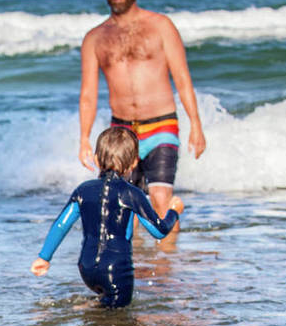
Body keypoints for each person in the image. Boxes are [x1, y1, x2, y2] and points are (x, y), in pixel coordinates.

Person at [78, 0, 205, 250]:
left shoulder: (160, 26)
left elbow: (183, 78)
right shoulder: (95, 38)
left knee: (160, 202)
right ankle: (132, 271)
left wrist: (196, 124)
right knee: (124, 212)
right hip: (121, 132)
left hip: (161, 125)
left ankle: (168, 270)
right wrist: (84, 138)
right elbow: (88, 93)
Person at [31, 126, 183, 308]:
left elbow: (61, 225)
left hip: (86, 267)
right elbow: (158, 231)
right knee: (120, 316)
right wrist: (174, 211)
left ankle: (91, 306)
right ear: (134, 163)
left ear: (96, 159)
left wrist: (44, 257)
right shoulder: (132, 194)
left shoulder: (82, 190)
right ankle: (89, 308)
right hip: (116, 269)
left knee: (105, 304)